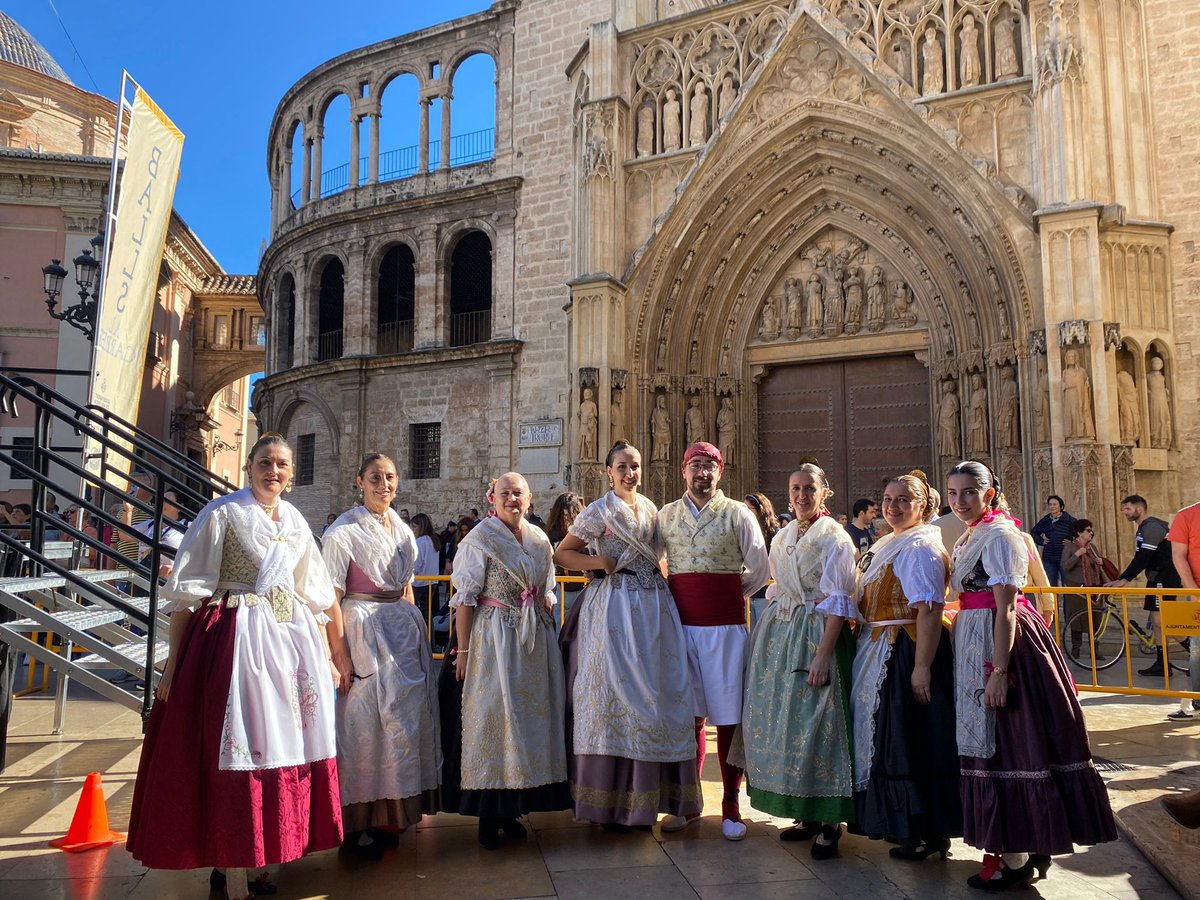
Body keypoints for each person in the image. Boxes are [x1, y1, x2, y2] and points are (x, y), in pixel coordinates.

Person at [127, 434, 342, 900]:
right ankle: (230, 868)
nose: (275, 472)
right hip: (234, 643)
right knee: (239, 746)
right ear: (248, 466)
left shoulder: (297, 521)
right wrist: (172, 666)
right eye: (265, 462)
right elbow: (187, 596)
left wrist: (326, 655)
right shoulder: (222, 513)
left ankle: (267, 860)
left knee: (285, 747)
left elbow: (316, 594)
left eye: (282, 465)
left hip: (289, 647)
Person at [945, 460, 1115, 891]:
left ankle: (1014, 857)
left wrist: (1000, 670)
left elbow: (1004, 605)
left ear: (990, 491)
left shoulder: (1001, 534)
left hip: (1004, 646)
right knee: (1004, 742)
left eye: (969, 492)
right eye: (953, 492)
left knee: (1010, 743)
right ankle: (1026, 843)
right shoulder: (975, 533)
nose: (960, 500)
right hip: (977, 638)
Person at [553, 442, 700, 830]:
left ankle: (649, 800)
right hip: (615, 607)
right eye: (622, 467)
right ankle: (609, 806)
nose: (630, 473)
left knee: (660, 696)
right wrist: (597, 561)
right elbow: (562, 554)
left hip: (655, 607)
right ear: (608, 471)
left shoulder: (651, 508)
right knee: (613, 698)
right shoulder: (599, 510)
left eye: (634, 466)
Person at [321, 454, 440, 860]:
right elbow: (329, 597)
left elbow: (405, 586)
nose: (383, 484)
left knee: (401, 727)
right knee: (363, 728)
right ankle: (356, 827)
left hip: (402, 633)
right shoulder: (342, 532)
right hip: (362, 630)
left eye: (389, 477)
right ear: (360, 481)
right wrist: (340, 654)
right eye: (375, 477)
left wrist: (415, 637)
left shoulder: (403, 530)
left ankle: (390, 816)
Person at [446, 473, 571, 849]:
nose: (512, 499)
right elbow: (465, 599)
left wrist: (549, 615)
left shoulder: (538, 539)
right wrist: (464, 651)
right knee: (496, 721)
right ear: (492, 498)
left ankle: (515, 808)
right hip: (493, 640)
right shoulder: (479, 540)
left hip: (533, 643)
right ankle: (489, 815)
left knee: (526, 725)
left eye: (518, 493)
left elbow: (546, 587)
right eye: (505, 493)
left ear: (529, 499)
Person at [742, 462, 857, 858]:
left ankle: (829, 821)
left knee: (821, 723)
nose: (801, 496)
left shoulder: (835, 538)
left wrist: (825, 653)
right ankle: (806, 813)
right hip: (784, 635)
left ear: (825, 492)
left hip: (818, 635)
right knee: (792, 723)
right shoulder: (784, 535)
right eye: (795, 489)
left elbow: (839, 603)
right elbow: (777, 587)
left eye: (810, 488)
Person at [657, 442, 769, 841]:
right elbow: (656, 561)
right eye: (695, 465)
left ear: (720, 472)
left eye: (710, 466)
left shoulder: (738, 513)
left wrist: (727, 594)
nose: (702, 473)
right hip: (681, 628)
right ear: (683, 470)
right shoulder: (666, 515)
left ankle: (730, 805)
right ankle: (688, 803)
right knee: (688, 718)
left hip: (725, 630)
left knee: (728, 718)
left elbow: (759, 567)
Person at [851, 472, 961, 860]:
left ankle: (922, 831)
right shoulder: (893, 542)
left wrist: (921, 667)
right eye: (887, 499)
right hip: (883, 647)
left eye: (903, 500)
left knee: (907, 741)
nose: (892, 507)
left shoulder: (920, 548)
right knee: (896, 738)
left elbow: (929, 610)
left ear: (924, 505)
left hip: (906, 651)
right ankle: (911, 829)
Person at [1106, 495, 1182, 677]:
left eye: (1128, 509)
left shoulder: (1152, 527)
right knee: (1158, 625)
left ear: (1139, 509)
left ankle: (1194, 653)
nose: (1125, 513)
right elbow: (1141, 558)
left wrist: (1124, 580)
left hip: (1164, 578)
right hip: (1155, 578)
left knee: (1161, 621)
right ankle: (1162, 664)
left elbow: (1142, 558)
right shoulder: (1144, 528)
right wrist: (1122, 578)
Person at [1168, 498, 1200, 720]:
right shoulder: (1186, 515)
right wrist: (1194, 591)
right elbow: (1178, 554)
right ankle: (1198, 700)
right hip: (1198, 592)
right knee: (1197, 650)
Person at [1059, 519, 1106, 660]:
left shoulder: (1093, 548)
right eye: (1088, 530)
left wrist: (1101, 562)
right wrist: (1077, 555)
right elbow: (1065, 566)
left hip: (1094, 587)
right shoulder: (1070, 547)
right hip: (1077, 589)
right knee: (1077, 618)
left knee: (1095, 619)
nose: (1091, 532)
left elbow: (1098, 566)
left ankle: (1095, 650)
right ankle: (1076, 649)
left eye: (1091, 529)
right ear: (1079, 532)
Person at [744, 491, 781, 628]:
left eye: (748, 509)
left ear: (760, 510)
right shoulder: (743, 532)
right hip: (747, 593)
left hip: (765, 594)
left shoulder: (775, 534)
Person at [546, 491, 586, 614]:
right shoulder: (582, 535)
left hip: (562, 590)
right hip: (580, 589)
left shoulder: (550, 535)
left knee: (561, 629)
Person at [1029, 495, 1075, 586]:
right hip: (1049, 557)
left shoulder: (1069, 520)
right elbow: (1034, 532)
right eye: (1050, 505)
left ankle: (1067, 601)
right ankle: (1053, 601)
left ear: (1061, 506)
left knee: (1067, 585)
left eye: (1055, 504)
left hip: (1065, 557)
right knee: (1050, 584)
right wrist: (1041, 541)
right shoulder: (1046, 520)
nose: (1052, 506)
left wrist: (1072, 543)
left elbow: (1081, 531)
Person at [410, 512, 443, 615]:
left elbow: (417, 564)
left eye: (415, 527)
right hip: (432, 581)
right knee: (427, 614)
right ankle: (428, 631)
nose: (413, 530)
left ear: (421, 527)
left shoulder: (420, 542)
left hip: (419, 581)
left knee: (412, 612)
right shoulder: (433, 540)